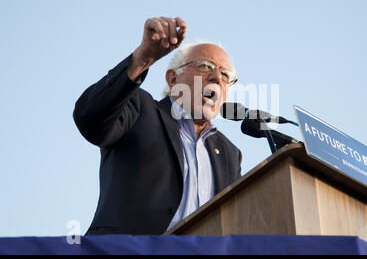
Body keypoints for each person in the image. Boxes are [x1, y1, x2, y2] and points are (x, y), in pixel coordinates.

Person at [73, 16, 242, 235]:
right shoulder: (140, 108)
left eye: (225, 75)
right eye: (205, 66)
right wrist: (142, 58)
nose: (216, 77)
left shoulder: (230, 154)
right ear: (173, 80)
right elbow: (89, 118)